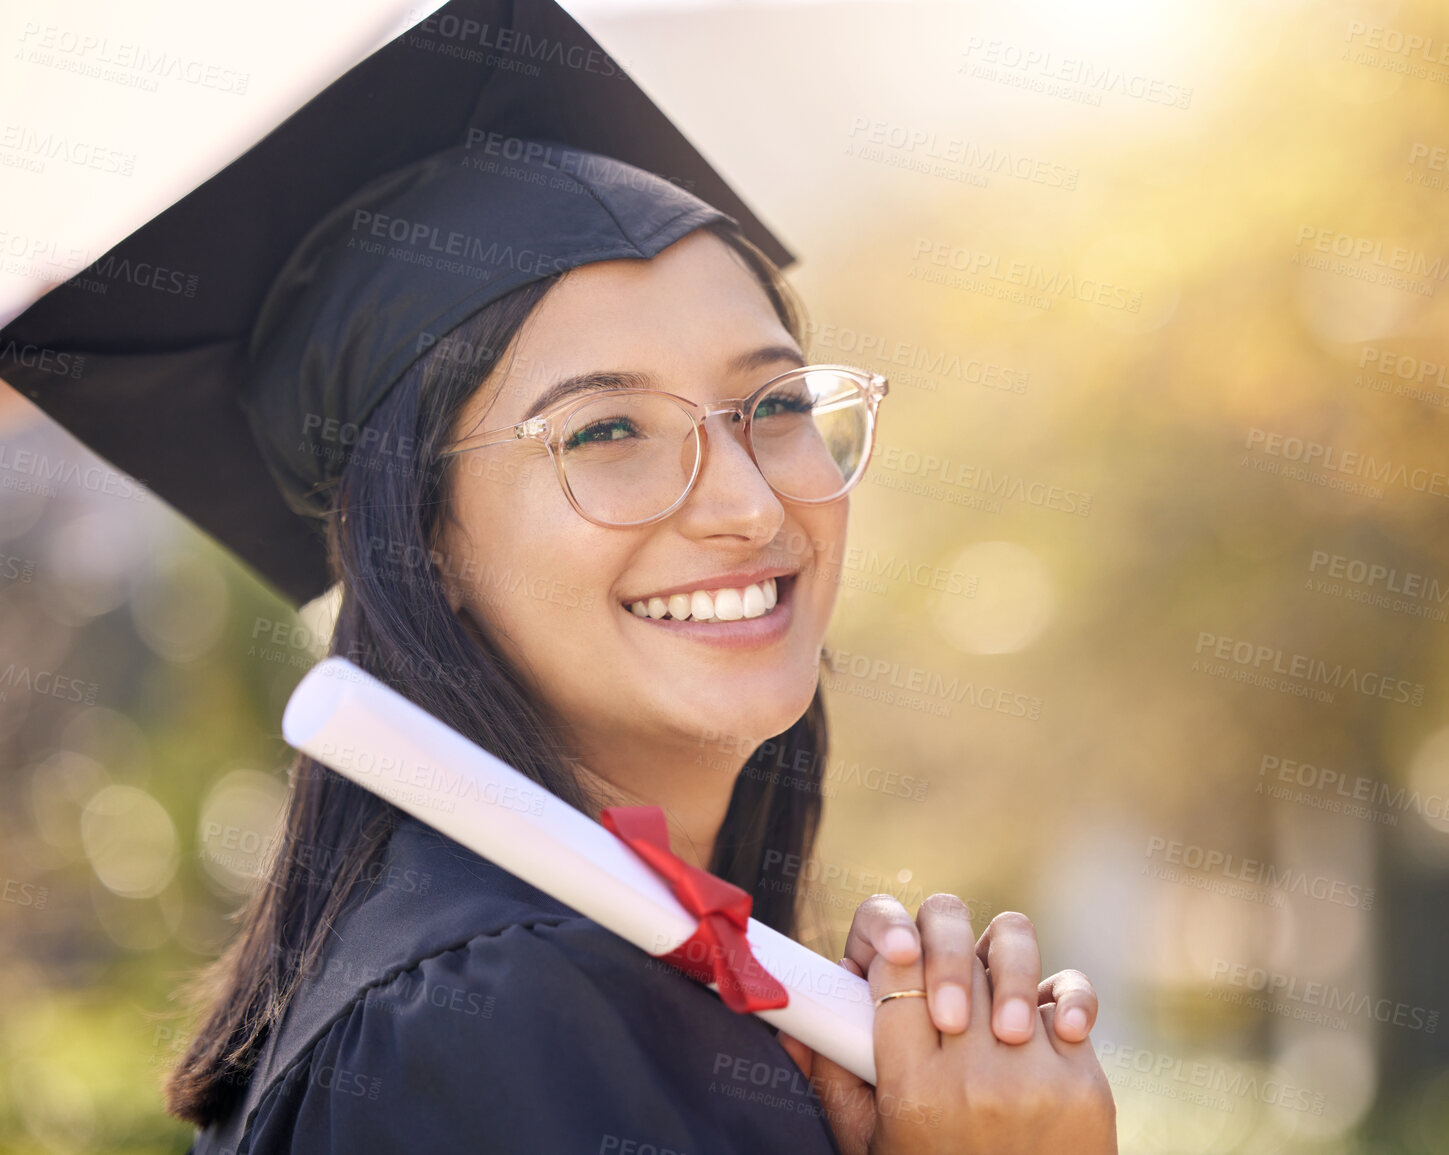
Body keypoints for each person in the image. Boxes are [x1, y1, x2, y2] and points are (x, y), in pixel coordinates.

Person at [154, 138, 1118, 1154]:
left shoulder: (610, 985)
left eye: (779, 405)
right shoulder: (498, 1015)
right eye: (608, 430)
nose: (748, 504)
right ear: (421, 538)